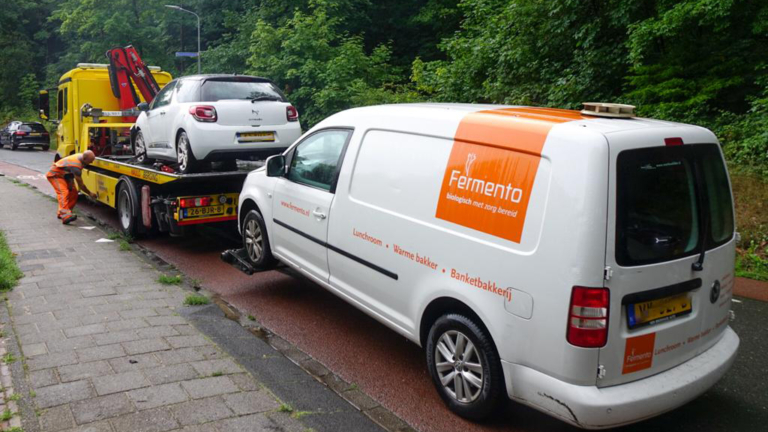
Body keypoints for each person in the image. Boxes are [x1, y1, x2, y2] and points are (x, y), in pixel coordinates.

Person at [46, 151, 97, 224]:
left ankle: (64, 213)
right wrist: (90, 193)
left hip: (65, 176)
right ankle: (65, 216)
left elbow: (68, 170)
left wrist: (70, 183)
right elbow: (81, 185)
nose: (91, 163)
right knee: (64, 193)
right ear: (85, 159)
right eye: (90, 161)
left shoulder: (81, 157)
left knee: (73, 193)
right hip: (55, 175)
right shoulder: (76, 165)